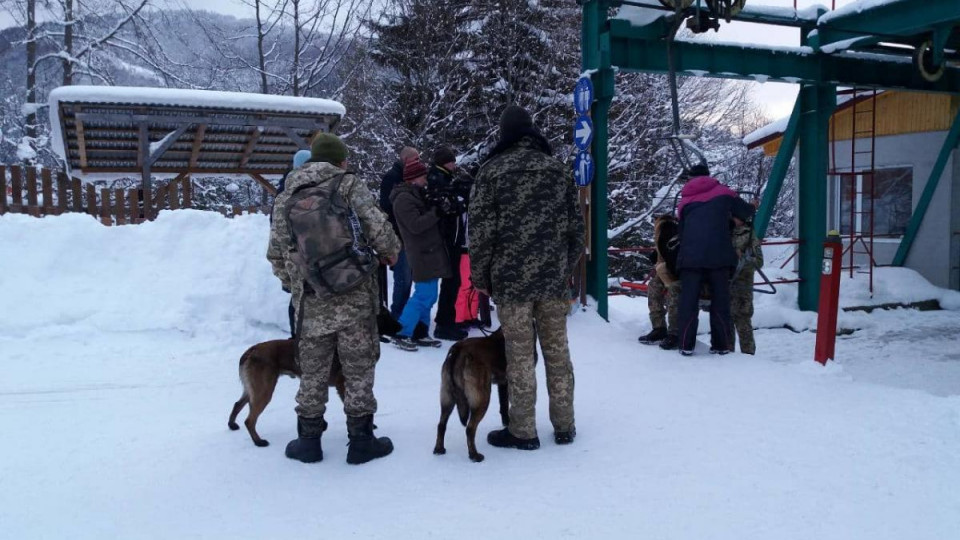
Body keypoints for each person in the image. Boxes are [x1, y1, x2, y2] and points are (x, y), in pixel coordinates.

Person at [267, 133, 400, 465]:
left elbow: (276, 255)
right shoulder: (350, 185)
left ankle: (308, 441)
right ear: (340, 161)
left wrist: (297, 284)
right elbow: (380, 232)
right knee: (358, 370)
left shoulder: (286, 197)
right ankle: (361, 441)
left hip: (311, 305)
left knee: (312, 372)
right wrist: (390, 254)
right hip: (355, 299)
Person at [470, 104, 584, 450]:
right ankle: (564, 426)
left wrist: (480, 276)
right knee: (558, 353)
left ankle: (523, 431)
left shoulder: (491, 172)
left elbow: (480, 233)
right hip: (552, 283)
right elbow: (577, 231)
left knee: (519, 357)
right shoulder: (558, 172)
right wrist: (562, 268)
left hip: (510, 282)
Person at [675, 165, 755, 356]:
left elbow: (682, 231)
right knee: (720, 301)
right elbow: (746, 212)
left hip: (690, 258)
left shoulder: (684, 201)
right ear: (708, 176)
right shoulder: (724, 192)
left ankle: (686, 344)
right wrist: (752, 206)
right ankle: (720, 345)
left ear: (690, 179)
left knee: (688, 302)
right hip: (719, 256)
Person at [389, 156, 451, 352]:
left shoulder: (416, 195)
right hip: (421, 252)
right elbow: (415, 225)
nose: (426, 180)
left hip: (430, 250)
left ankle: (421, 331)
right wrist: (436, 213)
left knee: (430, 295)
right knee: (423, 294)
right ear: (413, 178)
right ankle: (402, 331)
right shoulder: (403, 199)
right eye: (423, 176)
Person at [428, 146, 471, 341]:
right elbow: (445, 206)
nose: (455, 165)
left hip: (451, 237)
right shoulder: (437, 179)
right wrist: (460, 201)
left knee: (453, 282)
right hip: (448, 238)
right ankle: (445, 324)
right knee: (451, 281)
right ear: (445, 162)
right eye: (452, 161)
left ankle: (446, 320)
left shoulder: (444, 179)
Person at [380, 147, 420, 320]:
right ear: (405, 159)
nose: (418, 162)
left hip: (409, 235)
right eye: (415, 159)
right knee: (403, 278)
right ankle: (397, 316)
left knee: (408, 278)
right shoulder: (392, 178)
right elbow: (386, 207)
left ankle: (401, 314)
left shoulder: (410, 178)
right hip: (398, 235)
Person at [638, 214, 681, 350]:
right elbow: (661, 252)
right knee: (654, 286)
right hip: (668, 267)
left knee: (673, 291)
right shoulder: (664, 232)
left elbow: (669, 252)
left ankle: (675, 332)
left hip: (676, 270)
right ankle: (659, 327)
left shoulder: (668, 230)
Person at [728, 217, 763, 354]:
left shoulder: (749, 235)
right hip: (726, 286)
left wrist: (741, 258)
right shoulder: (724, 231)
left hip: (742, 288)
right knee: (726, 323)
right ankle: (727, 355)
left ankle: (748, 358)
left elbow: (758, 261)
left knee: (743, 323)